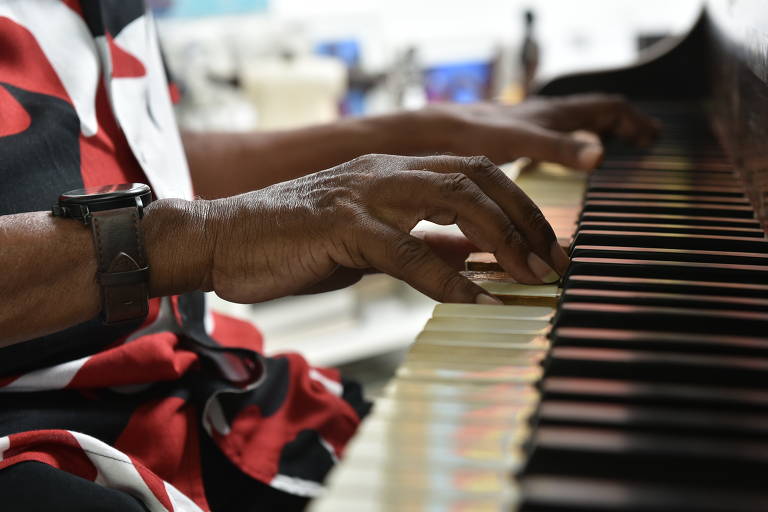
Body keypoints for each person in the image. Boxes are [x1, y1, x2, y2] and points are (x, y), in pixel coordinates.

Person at [0, 2, 657, 511]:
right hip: (44, 455)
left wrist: (417, 136)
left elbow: (136, 160)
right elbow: (176, 217)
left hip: (212, 399)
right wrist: (204, 237)